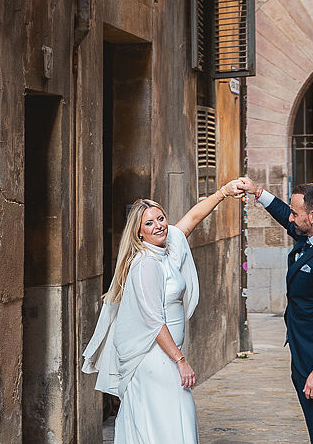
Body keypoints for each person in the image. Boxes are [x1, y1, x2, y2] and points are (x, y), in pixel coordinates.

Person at [82, 180, 245, 444]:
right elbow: (153, 321)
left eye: (161, 218)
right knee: (169, 425)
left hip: (165, 355)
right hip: (152, 359)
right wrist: (181, 361)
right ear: (139, 233)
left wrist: (222, 193)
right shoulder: (146, 264)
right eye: (149, 223)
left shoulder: (167, 251)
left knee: (171, 423)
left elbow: (192, 219)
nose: (158, 225)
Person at [238, 177, 313, 444]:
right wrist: (258, 192)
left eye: (295, 212)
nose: (290, 218)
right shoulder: (311, 237)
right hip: (303, 353)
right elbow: (284, 217)